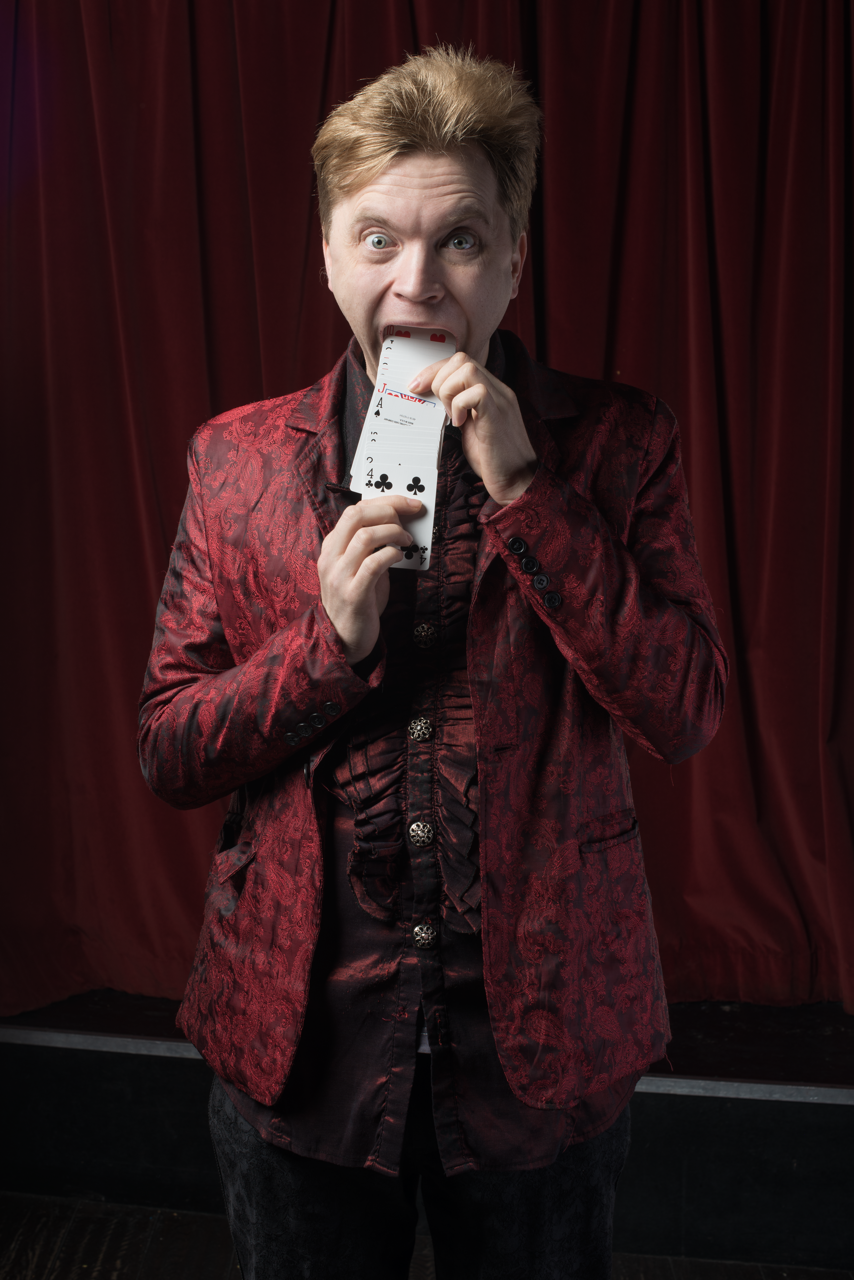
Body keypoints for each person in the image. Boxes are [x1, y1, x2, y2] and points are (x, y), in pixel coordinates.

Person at [139, 45, 727, 1280]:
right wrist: (326, 645)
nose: (416, 284)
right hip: (303, 1052)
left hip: (540, 1051)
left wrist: (528, 493)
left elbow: (681, 710)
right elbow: (170, 745)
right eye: (376, 240)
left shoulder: (617, 443)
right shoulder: (234, 460)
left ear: (512, 255)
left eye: (459, 240)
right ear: (326, 252)